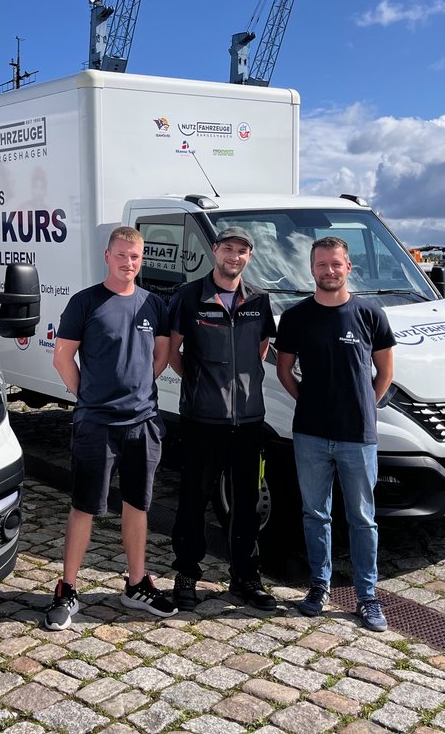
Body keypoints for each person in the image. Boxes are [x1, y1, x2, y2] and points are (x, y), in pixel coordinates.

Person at [43, 226, 176, 630]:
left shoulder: (154, 304)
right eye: (121, 255)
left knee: (138, 505)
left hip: (142, 422)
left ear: (141, 259)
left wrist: (134, 392)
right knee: (84, 506)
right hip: (96, 423)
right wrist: (88, 395)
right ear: (107, 256)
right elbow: (62, 358)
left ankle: (136, 584)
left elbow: (162, 356)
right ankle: (67, 588)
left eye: (135, 257)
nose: (128, 263)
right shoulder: (85, 303)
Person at [275, 236, 396, 632]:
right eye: (322, 264)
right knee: (315, 514)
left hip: (357, 436)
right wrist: (307, 401)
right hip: (310, 433)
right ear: (311, 269)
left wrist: (363, 407)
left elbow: (385, 373)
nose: (329, 271)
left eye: (336, 264)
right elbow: (284, 371)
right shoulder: (294, 317)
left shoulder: (370, 314)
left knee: (363, 518)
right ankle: (319, 586)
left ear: (349, 267)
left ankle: (367, 596)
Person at [166, 226, 277, 612]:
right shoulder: (189, 297)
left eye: (242, 250)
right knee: (193, 500)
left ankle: (245, 577)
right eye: (228, 248)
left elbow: (260, 349)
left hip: (248, 421)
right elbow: (174, 352)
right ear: (215, 251)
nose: (234, 256)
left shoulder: (260, 301)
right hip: (202, 419)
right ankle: (186, 575)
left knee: (245, 504)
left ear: (250, 256)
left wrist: (240, 386)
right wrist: (201, 383)